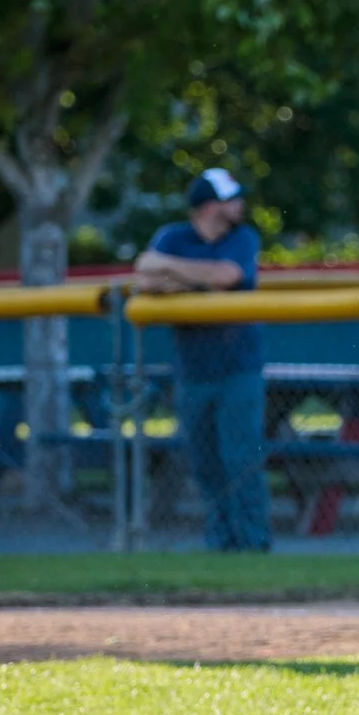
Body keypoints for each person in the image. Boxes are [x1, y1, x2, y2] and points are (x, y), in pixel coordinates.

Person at [133, 167, 271, 552]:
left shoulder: (242, 237)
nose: (241, 205)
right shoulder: (172, 236)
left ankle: (253, 544)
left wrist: (174, 275)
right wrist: (201, 278)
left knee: (241, 458)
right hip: (193, 370)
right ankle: (221, 545)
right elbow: (144, 274)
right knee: (206, 464)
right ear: (210, 206)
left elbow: (228, 275)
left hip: (239, 367)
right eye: (233, 200)